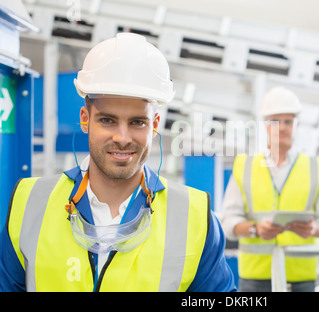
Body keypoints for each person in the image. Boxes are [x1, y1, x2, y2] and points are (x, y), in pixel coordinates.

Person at [0, 32, 236, 292]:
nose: (122, 138)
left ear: (155, 125)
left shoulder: (195, 217)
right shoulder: (29, 202)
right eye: (107, 120)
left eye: (137, 122)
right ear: (85, 119)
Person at [221, 86, 319, 292]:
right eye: (276, 121)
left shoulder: (316, 167)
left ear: (296, 125)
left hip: (301, 277)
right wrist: (256, 229)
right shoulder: (244, 165)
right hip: (255, 278)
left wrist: (314, 229)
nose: (282, 128)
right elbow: (228, 221)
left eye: (288, 121)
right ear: (265, 125)